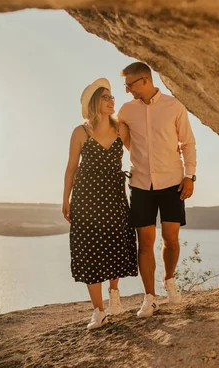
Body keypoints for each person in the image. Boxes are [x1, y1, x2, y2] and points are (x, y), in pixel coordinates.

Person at [118, 62, 197, 318]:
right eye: (125, 86)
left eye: (130, 85)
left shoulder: (174, 106)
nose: (128, 90)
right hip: (140, 184)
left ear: (145, 80)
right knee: (145, 243)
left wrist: (190, 176)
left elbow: (187, 142)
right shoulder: (127, 110)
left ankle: (170, 280)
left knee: (171, 240)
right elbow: (123, 139)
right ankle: (149, 298)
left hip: (173, 182)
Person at [62, 78, 138, 330]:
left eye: (112, 96)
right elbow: (72, 168)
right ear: (94, 103)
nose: (111, 100)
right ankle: (98, 310)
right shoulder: (80, 132)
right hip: (86, 198)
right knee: (88, 249)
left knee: (116, 242)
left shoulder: (121, 129)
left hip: (114, 197)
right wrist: (66, 199)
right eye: (105, 97)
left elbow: (140, 152)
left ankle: (114, 293)